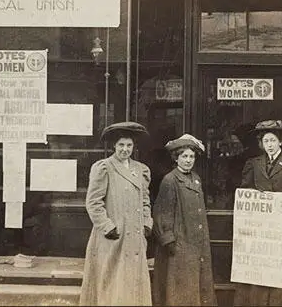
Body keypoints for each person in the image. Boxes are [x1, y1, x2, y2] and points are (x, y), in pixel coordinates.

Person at [234, 120, 282, 306]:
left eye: (273, 141)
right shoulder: (253, 163)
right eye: (266, 141)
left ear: (281, 142)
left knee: (280, 270)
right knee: (260, 269)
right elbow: (246, 191)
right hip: (260, 228)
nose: (269, 144)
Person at [79, 121, 153, 306]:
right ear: (114, 145)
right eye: (121, 145)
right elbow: (93, 203)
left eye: (129, 145)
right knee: (112, 283)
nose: (125, 149)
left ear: (134, 146)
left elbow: (145, 201)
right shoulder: (104, 167)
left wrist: (146, 223)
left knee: (133, 285)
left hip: (135, 236)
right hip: (113, 236)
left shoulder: (140, 169)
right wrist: (108, 226)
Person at [152, 134, 217, 306]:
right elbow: (161, 214)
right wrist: (169, 241)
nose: (188, 160)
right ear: (176, 158)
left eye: (191, 156)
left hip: (197, 243)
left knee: (197, 286)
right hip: (180, 244)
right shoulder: (170, 180)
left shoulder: (195, 178)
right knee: (180, 289)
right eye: (184, 156)